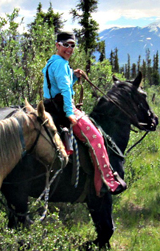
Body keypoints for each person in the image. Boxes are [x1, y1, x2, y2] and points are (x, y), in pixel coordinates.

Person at [42, 31, 126, 196]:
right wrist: (69, 113)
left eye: (72, 45)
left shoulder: (52, 62)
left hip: (50, 106)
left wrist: (73, 76)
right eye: (66, 45)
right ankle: (107, 182)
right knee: (97, 138)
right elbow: (65, 90)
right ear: (57, 45)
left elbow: (59, 84)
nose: (70, 49)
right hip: (64, 108)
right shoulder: (61, 64)